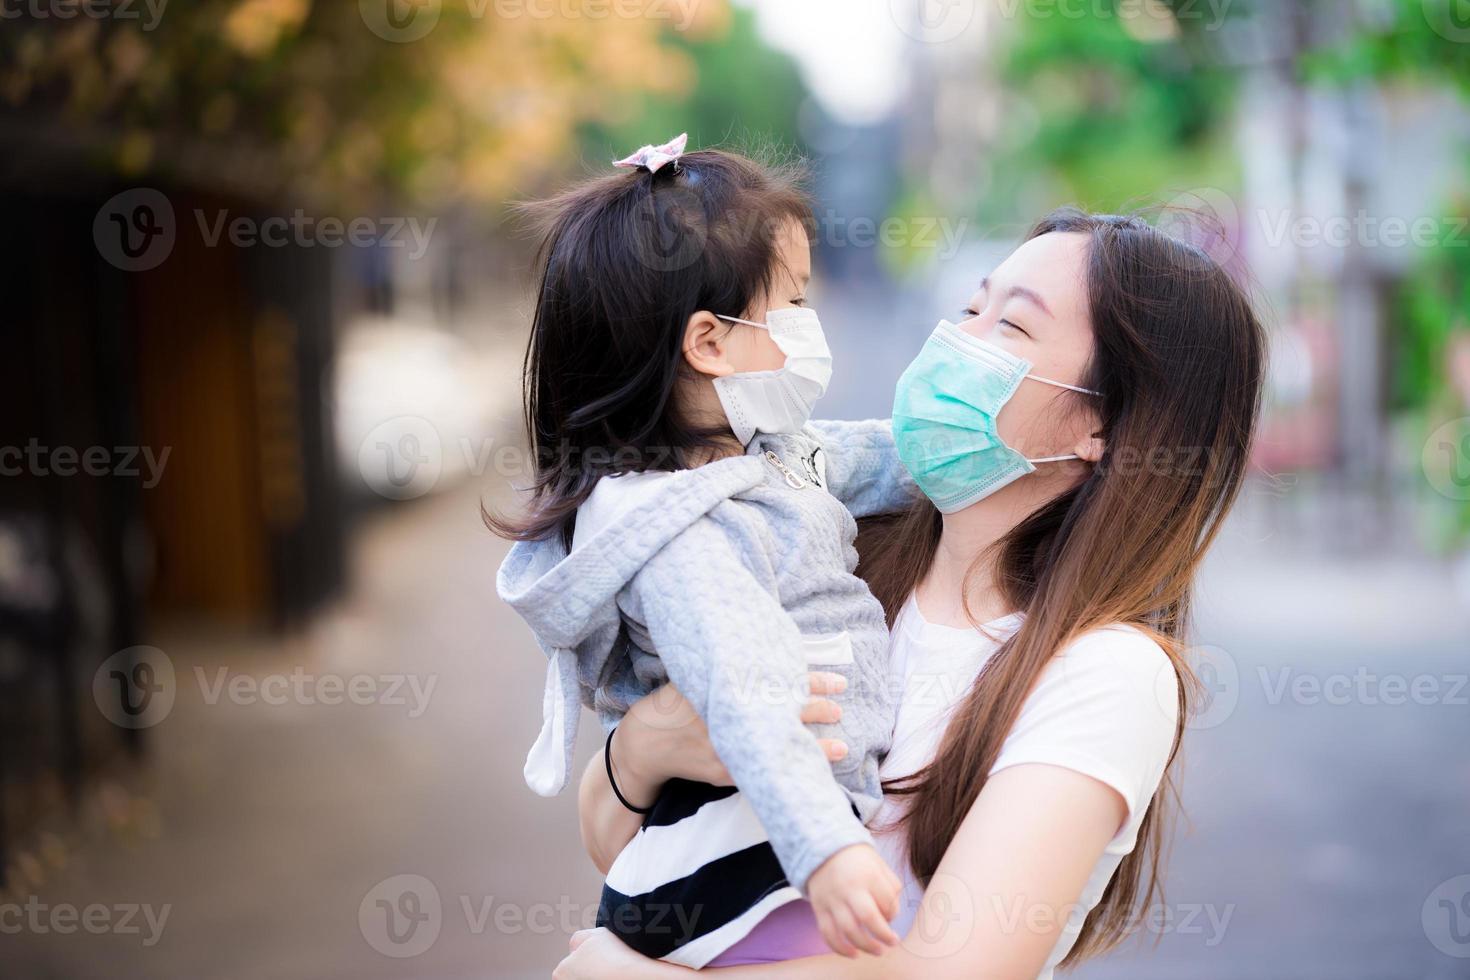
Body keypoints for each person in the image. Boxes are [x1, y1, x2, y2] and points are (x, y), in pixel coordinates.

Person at [560, 208, 1267, 979]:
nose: (956, 339)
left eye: (1012, 329)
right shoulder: (827, 559)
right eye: (971, 306)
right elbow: (625, 846)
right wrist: (646, 743)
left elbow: (951, 970)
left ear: (1099, 425)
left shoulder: (1105, 675)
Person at [492, 135, 920, 967]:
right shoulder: (682, 534)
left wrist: (972, 441)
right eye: (793, 303)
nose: (809, 326)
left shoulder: (763, 457)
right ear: (710, 343)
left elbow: (879, 457)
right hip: (747, 869)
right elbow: (747, 690)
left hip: (762, 856)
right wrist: (826, 850)